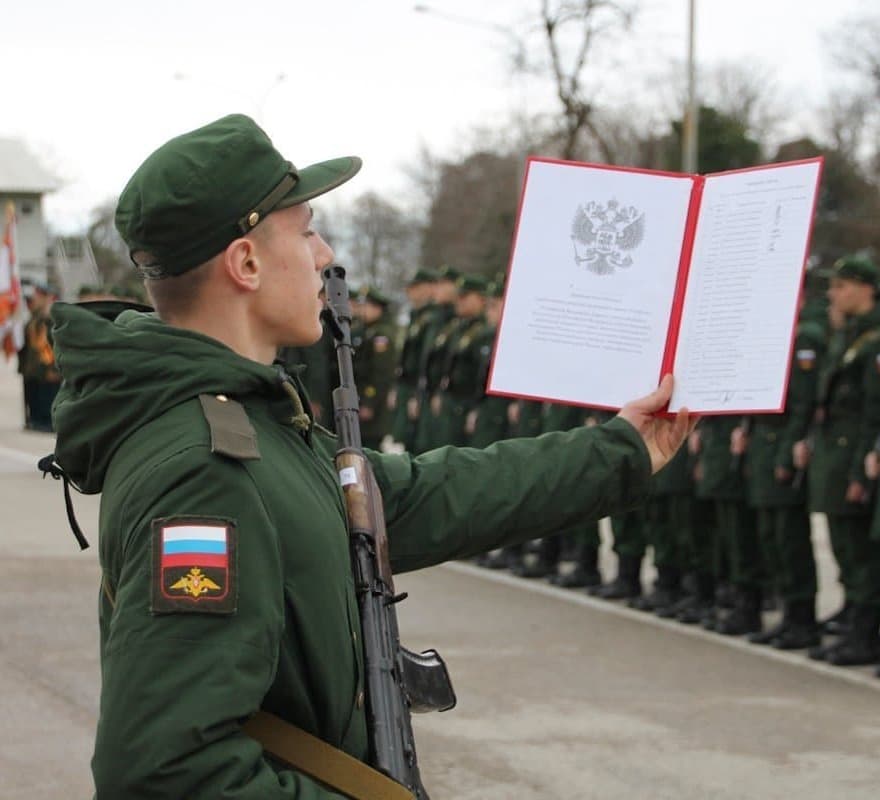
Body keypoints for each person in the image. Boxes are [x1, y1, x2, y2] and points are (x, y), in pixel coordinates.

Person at [48, 113, 692, 798]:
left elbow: (422, 496)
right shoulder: (203, 469)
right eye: (306, 231)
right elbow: (166, 774)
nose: (324, 255)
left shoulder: (252, 423)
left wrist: (620, 449)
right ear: (246, 263)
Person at [804, 256, 880, 665]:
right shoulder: (849, 336)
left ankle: (864, 636)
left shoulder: (873, 340)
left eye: (842, 286)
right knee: (844, 545)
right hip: (836, 453)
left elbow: (873, 411)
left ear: (865, 288)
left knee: (859, 551)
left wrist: (859, 470)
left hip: (854, 454)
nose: (834, 294)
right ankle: (855, 623)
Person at [351, 286, 398, 449]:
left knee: (370, 448)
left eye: (367, 306)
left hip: (372, 403)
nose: (363, 310)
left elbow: (381, 373)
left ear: (378, 309)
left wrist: (369, 402)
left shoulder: (381, 336)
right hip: (362, 397)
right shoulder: (367, 330)